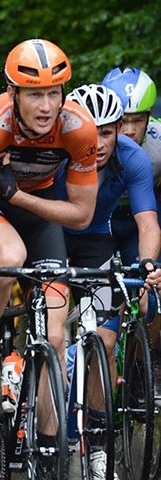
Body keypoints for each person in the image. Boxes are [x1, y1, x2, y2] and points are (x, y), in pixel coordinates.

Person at [0, 39, 98, 471]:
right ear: (14, 93)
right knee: (9, 254)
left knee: (55, 336)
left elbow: (82, 215)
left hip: (42, 211)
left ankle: (50, 443)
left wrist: (22, 195)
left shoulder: (78, 129)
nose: (47, 104)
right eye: (35, 93)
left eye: (55, 92)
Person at [58, 83, 160, 477]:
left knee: (106, 336)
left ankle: (97, 443)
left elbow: (147, 221)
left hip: (96, 239)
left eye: (107, 131)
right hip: (52, 233)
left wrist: (148, 264)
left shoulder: (132, 158)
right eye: (90, 130)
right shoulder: (58, 152)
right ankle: (32, 378)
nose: (98, 142)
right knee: (49, 322)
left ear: (119, 129)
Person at [100, 68, 161, 264]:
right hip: (99, 220)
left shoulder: (158, 140)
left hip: (142, 218)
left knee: (148, 280)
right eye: (122, 121)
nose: (129, 130)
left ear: (149, 116)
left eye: (138, 120)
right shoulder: (90, 136)